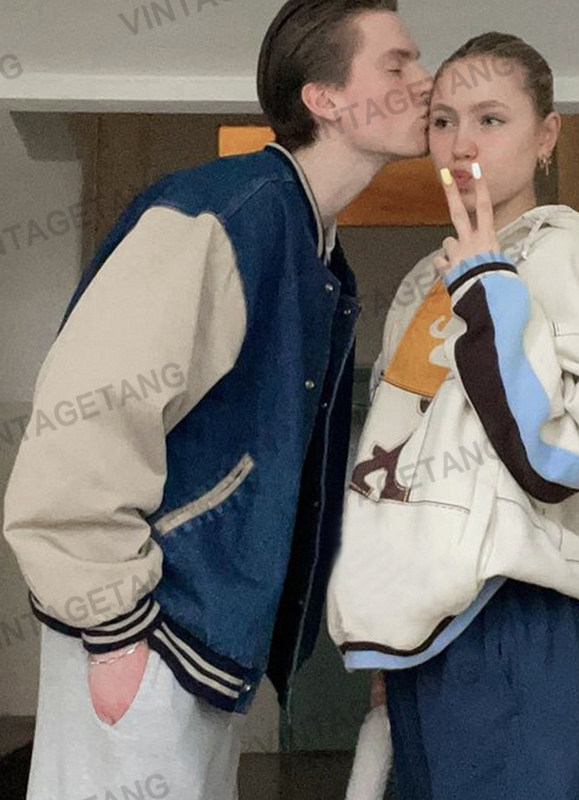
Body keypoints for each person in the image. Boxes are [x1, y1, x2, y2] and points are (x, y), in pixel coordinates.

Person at [1, 1, 432, 798]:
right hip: (143, 633)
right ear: (325, 98)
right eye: (397, 64)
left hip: (194, 643)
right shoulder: (229, 215)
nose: (424, 80)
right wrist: (115, 632)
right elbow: (85, 417)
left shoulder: (311, 246)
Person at [327, 33, 579, 799]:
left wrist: (488, 280)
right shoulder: (420, 281)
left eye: (491, 119)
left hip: (509, 616)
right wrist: (390, 628)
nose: (461, 144)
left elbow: (555, 456)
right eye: (444, 121)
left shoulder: (560, 246)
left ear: (546, 135)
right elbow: (393, 464)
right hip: (422, 639)